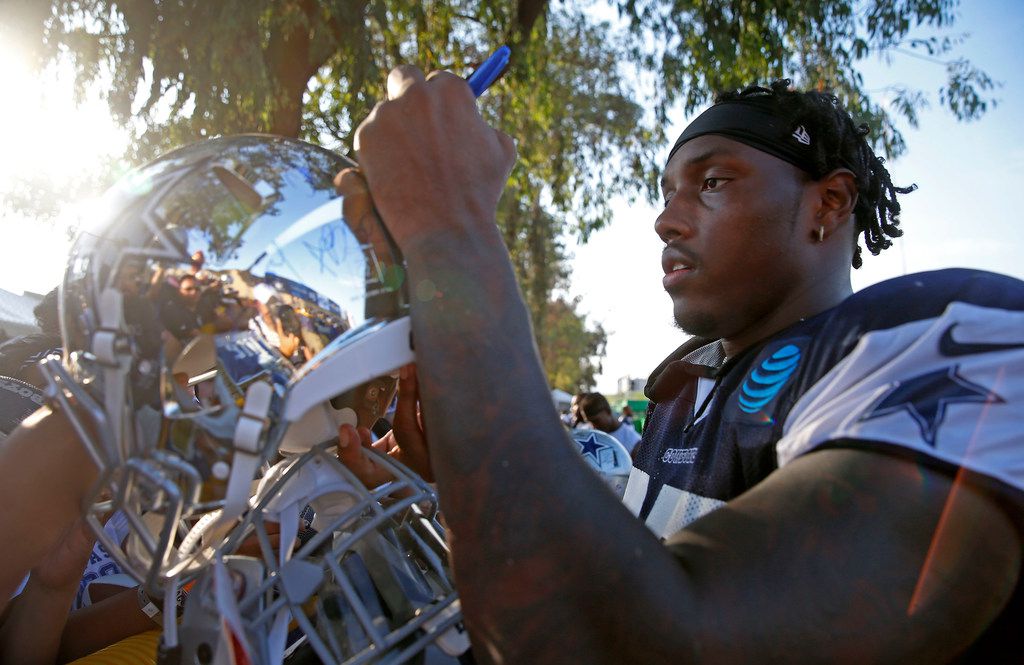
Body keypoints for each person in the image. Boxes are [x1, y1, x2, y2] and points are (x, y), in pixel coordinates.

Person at [340, 66, 1023, 661]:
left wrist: (450, 226)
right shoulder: (679, 387)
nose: (667, 219)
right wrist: (462, 483)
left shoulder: (953, 334)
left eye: (713, 181)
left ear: (829, 202)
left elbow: (631, 641)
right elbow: (624, 558)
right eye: (666, 192)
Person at [577, 391, 642, 455]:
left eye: (596, 421)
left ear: (608, 411)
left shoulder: (633, 441)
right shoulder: (586, 434)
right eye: (589, 421)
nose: (593, 426)